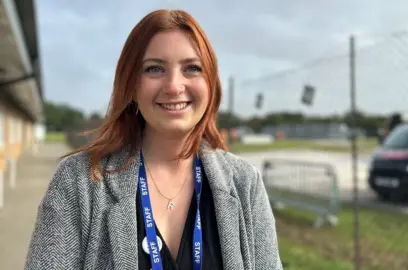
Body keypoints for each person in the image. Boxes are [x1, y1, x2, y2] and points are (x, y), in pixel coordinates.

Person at [24, 9, 282, 270]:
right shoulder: (79, 182)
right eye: (154, 69)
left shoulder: (245, 184)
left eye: (192, 68)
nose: (173, 86)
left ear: (210, 83)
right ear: (132, 85)